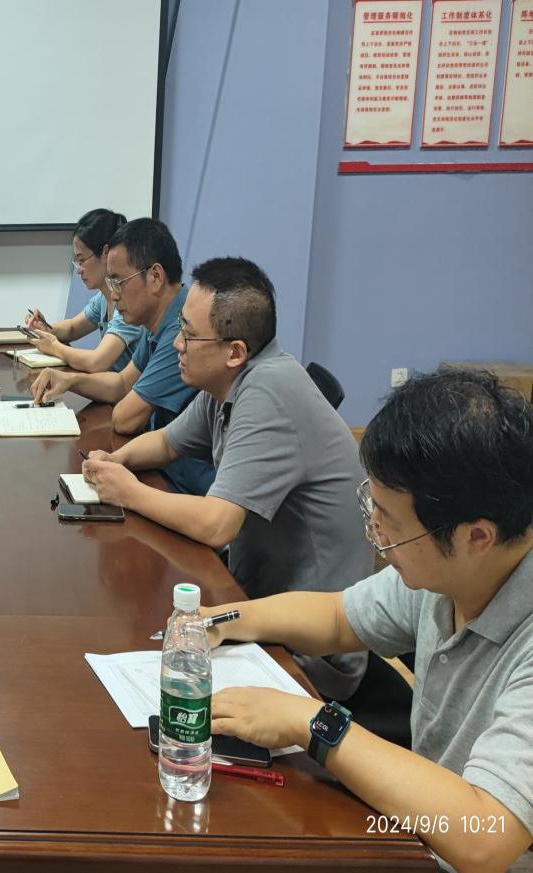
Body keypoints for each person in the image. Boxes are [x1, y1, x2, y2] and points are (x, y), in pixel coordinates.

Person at [207, 368, 533, 872]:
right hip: (419, 835)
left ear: (476, 537)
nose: (376, 534)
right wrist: (219, 619)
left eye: (391, 523)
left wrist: (307, 721)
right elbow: (339, 616)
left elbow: (487, 835)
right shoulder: (452, 573)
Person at [82, 257, 369, 699]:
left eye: (189, 334)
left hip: (310, 655)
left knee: (143, 666)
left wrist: (129, 492)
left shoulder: (267, 392)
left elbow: (217, 524)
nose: (177, 344)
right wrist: (115, 461)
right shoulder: (228, 383)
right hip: (255, 604)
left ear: (234, 351)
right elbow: (167, 443)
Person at [32, 218, 213, 496]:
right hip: (164, 472)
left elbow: (125, 418)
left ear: (155, 277)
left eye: (118, 282)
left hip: (188, 488)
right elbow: (121, 384)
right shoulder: (156, 321)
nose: (114, 296)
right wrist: (69, 381)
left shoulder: (181, 330)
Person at [23, 208, 143, 374]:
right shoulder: (103, 297)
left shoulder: (128, 303)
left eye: (81, 260)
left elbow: (97, 362)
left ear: (106, 253)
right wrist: (45, 327)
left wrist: (54, 347)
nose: (78, 270)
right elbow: (73, 328)